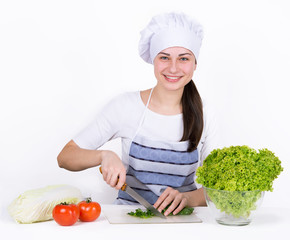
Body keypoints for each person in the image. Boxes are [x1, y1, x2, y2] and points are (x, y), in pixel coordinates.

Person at [57, 12, 218, 216]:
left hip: (182, 223)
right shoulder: (125, 106)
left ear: (195, 64)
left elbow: (218, 189)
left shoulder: (206, 114)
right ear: (154, 61)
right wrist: (104, 155)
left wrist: (187, 198)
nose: (173, 67)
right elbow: (65, 157)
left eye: (184, 58)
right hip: (129, 219)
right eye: (164, 57)